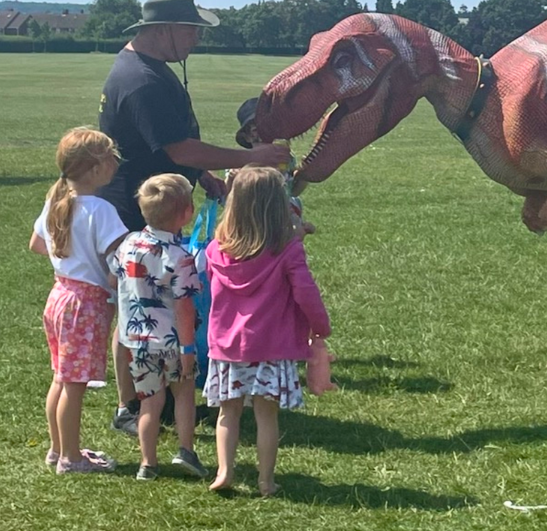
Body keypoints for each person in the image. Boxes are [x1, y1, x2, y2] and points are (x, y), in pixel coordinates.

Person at [97, 0, 289, 434]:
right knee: (137, 311)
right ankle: (135, 405)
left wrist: (204, 178)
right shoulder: (141, 80)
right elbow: (176, 147)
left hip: (158, 203)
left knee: (150, 307)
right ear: (163, 30)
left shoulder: (148, 70)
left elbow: (171, 144)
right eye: (191, 31)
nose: (196, 41)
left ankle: (151, 400)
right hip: (137, 211)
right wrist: (250, 157)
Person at [203, 166, 331, 496]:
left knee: (227, 412)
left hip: (227, 345)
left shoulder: (217, 250)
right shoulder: (287, 250)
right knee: (266, 416)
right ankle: (265, 480)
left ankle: (225, 471)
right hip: (271, 346)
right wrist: (320, 328)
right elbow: (306, 292)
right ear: (278, 206)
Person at [30, 128, 127, 475]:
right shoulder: (101, 210)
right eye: (110, 157)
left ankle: (59, 449)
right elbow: (119, 259)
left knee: (61, 378)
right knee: (74, 383)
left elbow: (37, 244)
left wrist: (69, 257)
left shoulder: (56, 201)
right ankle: (71, 457)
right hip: (85, 305)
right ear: (95, 170)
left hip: (60, 295)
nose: (116, 163)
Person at [111, 174, 207, 481]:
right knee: (183, 395)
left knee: (149, 402)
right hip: (174, 343)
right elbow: (184, 307)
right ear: (187, 213)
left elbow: (116, 278)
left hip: (138, 341)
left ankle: (147, 463)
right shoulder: (180, 258)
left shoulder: (128, 244)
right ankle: (186, 451)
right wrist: (189, 349)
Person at [232, 97, 315, 237]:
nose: (265, 133)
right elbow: (233, 199)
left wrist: (305, 175)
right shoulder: (242, 164)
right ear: (247, 137)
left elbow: (293, 191)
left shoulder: (286, 158)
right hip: (255, 222)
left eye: (270, 126)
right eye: (256, 130)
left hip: (285, 216)